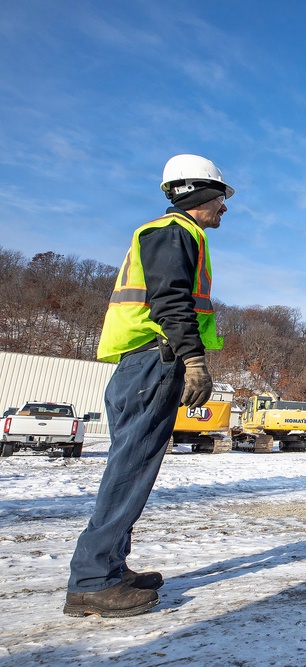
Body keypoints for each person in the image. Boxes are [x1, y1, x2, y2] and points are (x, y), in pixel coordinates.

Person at [64, 154, 232, 617]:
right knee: (130, 469)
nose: (225, 207)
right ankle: (94, 580)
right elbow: (170, 301)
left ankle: (110, 567)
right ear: (197, 193)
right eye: (221, 197)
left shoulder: (171, 234)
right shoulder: (173, 233)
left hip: (141, 365)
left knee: (129, 466)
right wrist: (194, 361)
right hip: (153, 364)